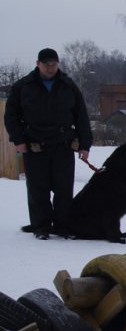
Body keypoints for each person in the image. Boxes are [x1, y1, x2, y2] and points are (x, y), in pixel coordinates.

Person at [3, 48, 93, 240]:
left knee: (63, 190)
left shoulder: (68, 86)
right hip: (34, 146)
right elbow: (11, 116)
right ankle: (41, 227)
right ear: (38, 64)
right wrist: (18, 140)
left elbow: (81, 117)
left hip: (62, 145)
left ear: (58, 64)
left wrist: (85, 145)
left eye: (53, 64)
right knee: (38, 190)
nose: (50, 68)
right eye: (46, 64)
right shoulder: (23, 87)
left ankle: (63, 226)